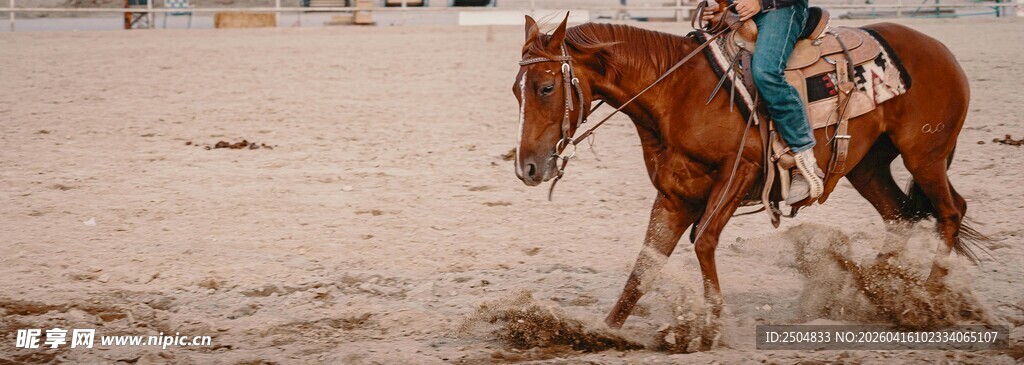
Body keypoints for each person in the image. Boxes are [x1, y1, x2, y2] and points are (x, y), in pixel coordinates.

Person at [703, 0, 823, 205]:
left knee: (766, 72)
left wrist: (761, 2)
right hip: (740, 12)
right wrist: (716, 5)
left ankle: (803, 157)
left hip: (781, 9)